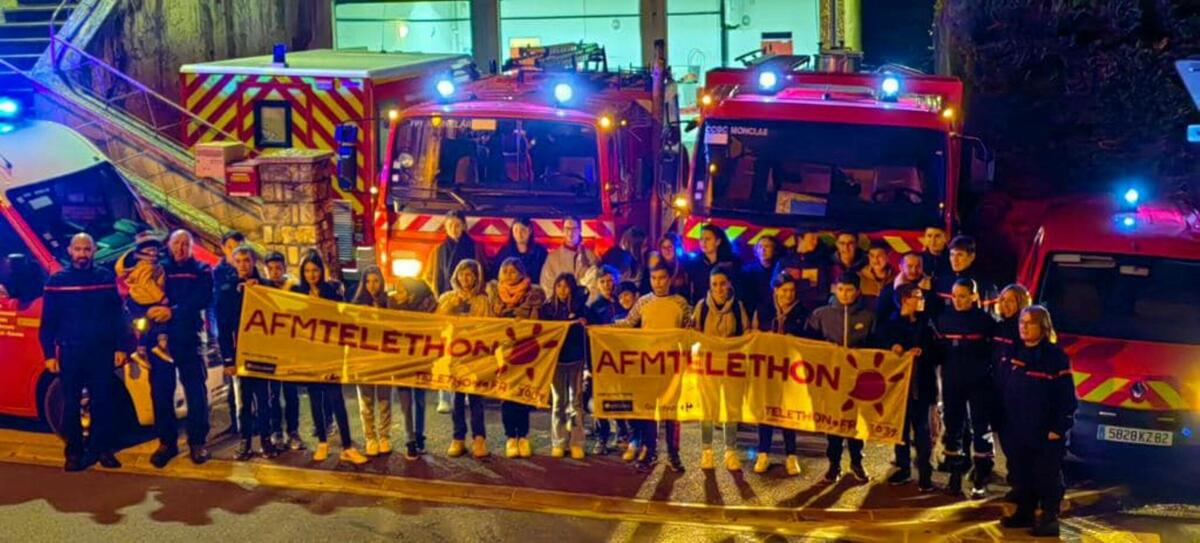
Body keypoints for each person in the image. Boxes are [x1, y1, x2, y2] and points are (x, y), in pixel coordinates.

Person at [40, 233, 130, 471]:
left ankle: (102, 450)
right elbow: (48, 320)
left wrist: (121, 347)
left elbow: (117, 316)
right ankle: (73, 453)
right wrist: (48, 354)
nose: (82, 254)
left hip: (101, 352)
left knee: (103, 403)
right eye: (78, 249)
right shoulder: (57, 281)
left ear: (94, 251)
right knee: (70, 405)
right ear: (70, 251)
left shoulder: (105, 277)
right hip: (71, 352)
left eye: (86, 249)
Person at [999, 306, 1076, 538]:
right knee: (1021, 473)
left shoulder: (1055, 357)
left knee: (1047, 475)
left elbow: (1066, 397)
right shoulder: (1014, 351)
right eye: (1021, 322)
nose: (1023, 326)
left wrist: (1058, 427)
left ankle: (1049, 517)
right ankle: (1024, 512)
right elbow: (1003, 387)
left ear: (1042, 327)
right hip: (1017, 426)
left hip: (1045, 430)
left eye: (1029, 322)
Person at [291, 251, 368, 465]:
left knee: (336, 399)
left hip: (330, 352)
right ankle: (322, 443)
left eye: (315, 270)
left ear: (321, 271)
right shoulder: (297, 291)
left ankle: (347, 446)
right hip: (309, 352)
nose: (311, 274)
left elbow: (341, 315)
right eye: (307, 271)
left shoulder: (331, 291)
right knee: (315, 398)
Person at [615, 263, 691, 472]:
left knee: (672, 414)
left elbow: (692, 329)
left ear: (669, 279)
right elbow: (628, 324)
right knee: (650, 411)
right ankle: (650, 451)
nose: (658, 282)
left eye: (662, 278)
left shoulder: (680, 303)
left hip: (672, 367)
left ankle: (674, 454)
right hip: (648, 365)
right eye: (654, 278)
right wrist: (601, 327)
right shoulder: (643, 302)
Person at [149, 230, 214, 469]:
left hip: (188, 336)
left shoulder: (202, 270)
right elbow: (140, 292)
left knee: (196, 391)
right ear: (169, 245)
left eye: (185, 244)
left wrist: (173, 311)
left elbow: (203, 298)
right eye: (176, 243)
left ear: (192, 247)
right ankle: (167, 443)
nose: (180, 247)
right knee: (160, 392)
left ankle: (197, 442)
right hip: (160, 339)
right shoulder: (158, 269)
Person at [805, 272, 875, 483]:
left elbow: (876, 346)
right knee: (833, 424)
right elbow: (809, 344)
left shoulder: (868, 316)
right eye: (841, 289)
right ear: (835, 289)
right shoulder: (821, 314)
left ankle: (857, 462)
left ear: (858, 292)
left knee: (856, 424)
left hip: (857, 379)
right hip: (831, 379)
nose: (845, 294)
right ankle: (833, 465)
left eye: (850, 290)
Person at [931, 278, 996, 498]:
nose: (957, 300)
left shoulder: (986, 322)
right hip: (952, 383)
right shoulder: (943, 320)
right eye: (954, 296)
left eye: (962, 296)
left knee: (981, 431)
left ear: (973, 297)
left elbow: (994, 353)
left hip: (980, 384)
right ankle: (955, 476)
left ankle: (980, 479)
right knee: (953, 429)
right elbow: (937, 351)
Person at [216, 246, 280, 460]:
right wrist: (228, 359)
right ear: (234, 263)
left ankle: (266, 441)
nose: (243, 265)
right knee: (243, 401)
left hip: (262, 353)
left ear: (253, 263)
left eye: (247, 261)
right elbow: (223, 328)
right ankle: (245, 442)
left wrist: (259, 287)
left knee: (264, 400)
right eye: (239, 261)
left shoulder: (265, 286)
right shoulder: (226, 290)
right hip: (240, 354)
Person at [880, 282, 938, 490]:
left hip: (921, 387)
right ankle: (903, 469)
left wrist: (924, 352)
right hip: (899, 390)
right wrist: (893, 348)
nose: (921, 300)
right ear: (905, 299)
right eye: (917, 296)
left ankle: (925, 473)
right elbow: (881, 348)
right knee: (901, 431)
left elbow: (938, 352)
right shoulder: (891, 324)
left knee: (922, 432)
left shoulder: (927, 324)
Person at [691, 267, 750, 471]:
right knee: (708, 409)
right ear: (709, 285)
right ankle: (707, 451)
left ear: (729, 284)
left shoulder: (737, 307)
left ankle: (730, 452)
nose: (718, 288)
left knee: (731, 408)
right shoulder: (701, 307)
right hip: (708, 367)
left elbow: (746, 334)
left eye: (722, 283)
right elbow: (694, 334)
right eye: (714, 284)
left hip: (730, 366)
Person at [427, 210, 485, 414]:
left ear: (464, 226)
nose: (454, 229)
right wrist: (439, 302)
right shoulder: (439, 250)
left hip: (471, 308)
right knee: (446, 353)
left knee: (470, 352)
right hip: (447, 307)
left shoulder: (475, 248)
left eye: (457, 225)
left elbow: (483, 273)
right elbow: (432, 277)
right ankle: (445, 395)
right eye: (450, 225)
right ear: (445, 227)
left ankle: (468, 390)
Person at [750, 273, 809, 476]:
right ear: (775, 290)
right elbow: (753, 333)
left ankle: (791, 455)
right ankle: (763, 453)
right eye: (784, 290)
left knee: (788, 413)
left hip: (791, 370)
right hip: (767, 368)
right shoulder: (764, 309)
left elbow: (809, 340)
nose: (788, 294)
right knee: (766, 411)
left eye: (792, 290)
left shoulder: (802, 311)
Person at [489, 257, 547, 457]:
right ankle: (510, 437)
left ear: (521, 272)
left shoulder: (534, 293)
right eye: (505, 271)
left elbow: (535, 321)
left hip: (525, 349)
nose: (509, 275)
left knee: (522, 394)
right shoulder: (494, 293)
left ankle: (523, 436)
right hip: (503, 351)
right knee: (506, 395)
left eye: (513, 271)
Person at [436, 259, 492, 459]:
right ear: (456, 276)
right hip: (455, 357)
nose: (465, 278)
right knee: (456, 400)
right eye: (462, 274)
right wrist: (450, 308)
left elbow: (489, 327)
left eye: (469, 274)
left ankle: (479, 438)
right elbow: (437, 324)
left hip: (475, 357)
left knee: (476, 400)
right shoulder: (447, 298)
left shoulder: (483, 300)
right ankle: (458, 437)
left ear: (476, 277)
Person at [349, 267, 397, 458]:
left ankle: (384, 436)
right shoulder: (358, 304)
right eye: (368, 281)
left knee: (385, 400)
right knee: (366, 401)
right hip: (364, 359)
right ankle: (370, 437)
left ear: (381, 282)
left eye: (375, 281)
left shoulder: (389, 302)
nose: (372, 285)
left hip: (384, 358)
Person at [992, 284, 1031, 499]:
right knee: (1006, 440)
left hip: (1017, 396)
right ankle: (1017, 482)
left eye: (1010, 300)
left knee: (1018, 442)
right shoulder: (999, 327)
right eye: (1003, 300)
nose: (1005, 304)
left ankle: (1022, 486)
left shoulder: (1024, 328)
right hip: (999, 392)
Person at [392, 276, 438, 459]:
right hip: (401, 360)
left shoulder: (428, 309)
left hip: (421, 360)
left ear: (412, 294)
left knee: (419, 400)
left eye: (402, 291)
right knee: (405, 402)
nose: (398, 294)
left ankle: (419, 436)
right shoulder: (392, 305)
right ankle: (409, 439)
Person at [261, 251, 303, 450]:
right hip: (269, 350)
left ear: (285, 269)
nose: (275, 272)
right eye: (270, 269)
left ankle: (293, 431)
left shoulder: (294, 288)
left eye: (278, 268)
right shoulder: (260, 288)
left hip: (290, 349)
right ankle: (276, 431)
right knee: (273, 395)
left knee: (291, 392)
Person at [544, 272, 588, 460]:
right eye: (559, 286)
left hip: (576, 360)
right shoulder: (547, 309)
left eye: (566, 286)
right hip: (557, 361)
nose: (562, 290)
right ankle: (559, 441)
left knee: (576, 402)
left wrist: (584, 323)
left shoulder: (581, 308)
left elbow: (592, 327)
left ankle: (577, 442)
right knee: (558, 402)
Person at [587, 265, 628, 455]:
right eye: (603, 282)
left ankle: (622, 433)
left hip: (621, 360)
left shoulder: (624, 303)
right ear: (597, 284)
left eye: (610, 281)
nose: (607, 285)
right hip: (601, 360)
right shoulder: (593, 308)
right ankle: (601, 437)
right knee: (600, 400)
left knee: (621, 397)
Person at [213, 231, 245, 437]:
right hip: (228, 334)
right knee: (233, 383)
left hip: (249, 333)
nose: (236, 252)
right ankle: (237, 423)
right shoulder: (218, 273)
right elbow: (218, 305)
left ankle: (255, 419)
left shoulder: (250, 269)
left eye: (240, 247)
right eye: (232, 247)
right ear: (224, 248)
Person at [932, 235, 997, 310]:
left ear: (972, 257)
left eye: (960, 255)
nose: (954, 260)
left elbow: (992, 314)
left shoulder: (984, 284)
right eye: (952, 255)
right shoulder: (943, 281)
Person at [774, 227, 831, 310]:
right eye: (812, 239)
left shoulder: (820, 262)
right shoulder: (785, 261)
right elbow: (775, 284)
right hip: (789, 309)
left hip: (812, 309)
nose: (815, 242)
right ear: (800, 239)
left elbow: (824, 291)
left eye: (816, 239)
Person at [540, 216, 598, 293]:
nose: (570, 233)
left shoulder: (590, 256)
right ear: (562, 230)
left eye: (574, 229)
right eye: (567, 229)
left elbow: (596, 284)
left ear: (580, 230)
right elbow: (546, 285)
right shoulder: (553, 258)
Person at [685, 224, 739, 303]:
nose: (703, 242)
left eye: (708, 239)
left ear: (718, 241)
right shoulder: (695, 263)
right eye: (701, 239)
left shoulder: (730, 264)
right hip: (702, 308)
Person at [875, 252, 932, 322]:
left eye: (918, 266)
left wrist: (925, 292)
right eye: (910, 266)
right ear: (901, 267)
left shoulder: (930, 286)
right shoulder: (890, 290)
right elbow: (880, 317)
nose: (914, 270)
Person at [491, 216, 547, 283]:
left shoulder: (540, 253)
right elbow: (495, 274)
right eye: (516, 230)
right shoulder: (505, 252)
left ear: (530, 230)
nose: (519, 234)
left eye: (523, 230)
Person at [740, 235, 780, 312]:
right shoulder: (747, 270)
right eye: (760, 247)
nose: (763, 249)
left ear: (774, 250)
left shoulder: (779, 268)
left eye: (767, 246)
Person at [857, 240, 895, 308]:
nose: (875, 260)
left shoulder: (895, 279)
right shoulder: (859, 278)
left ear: (888, 256)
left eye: (879, 256)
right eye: (872, 256)